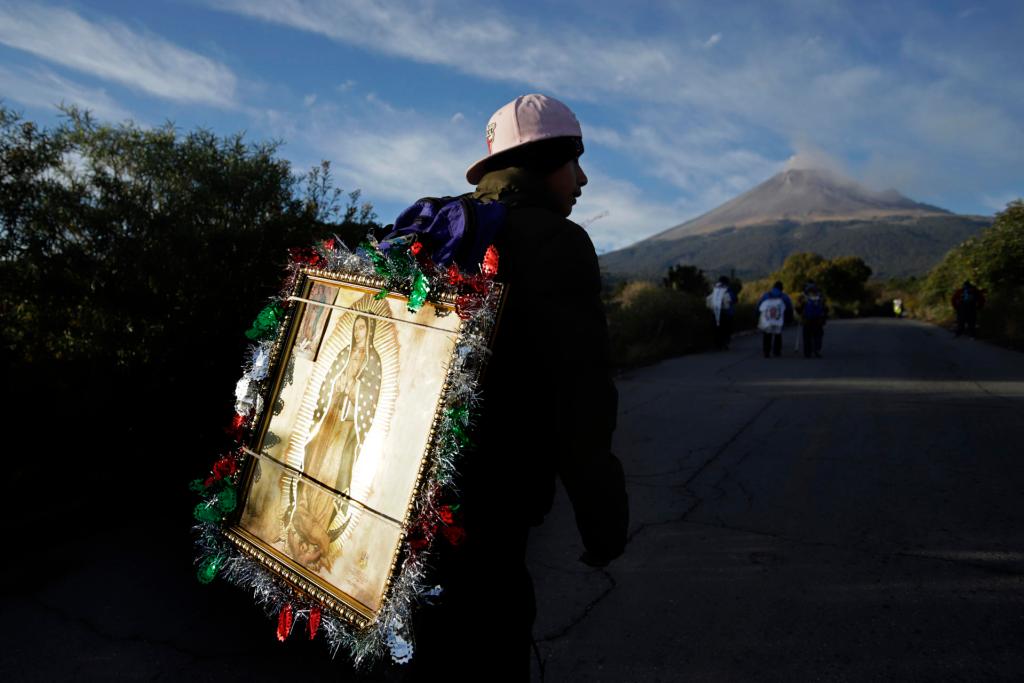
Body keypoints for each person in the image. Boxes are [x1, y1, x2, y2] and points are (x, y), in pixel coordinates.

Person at [411, 94, 629, 679]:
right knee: (491, 645)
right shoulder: (557, 242)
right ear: (543, 162)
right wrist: (602, 519)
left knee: (428, 648)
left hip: (410, 493)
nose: (582, 179)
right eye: (573, 162)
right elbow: (579, 399)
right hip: (493, 504)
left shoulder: (443, 227)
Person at [757, 281, 793, 358]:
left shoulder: (766, 295)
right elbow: (789, 307)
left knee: (767, 335)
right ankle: (777, 351)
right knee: (778, 335)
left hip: (767, 319)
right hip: (778, 319)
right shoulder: (784, 296)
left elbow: (759, 305)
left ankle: (766, 352)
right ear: (781, 288)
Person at [796, 282, 827, 358]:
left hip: (807, 320)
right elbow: (825, 308)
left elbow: (798, 308)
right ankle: (817, 349)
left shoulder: (803, 297)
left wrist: (800, 313)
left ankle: (807, 353)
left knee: (807, 336)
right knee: (818, 335)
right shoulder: (820, 296)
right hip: (818, 320)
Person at [706, 275, 737, 350]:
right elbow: (734, 299)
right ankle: (725, 344)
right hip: (727, 313)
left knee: (716, 329)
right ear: (727, 282)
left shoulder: (715, 289)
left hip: (715, 312)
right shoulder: (728, 290)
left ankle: (717, 344)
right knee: (727, 329)